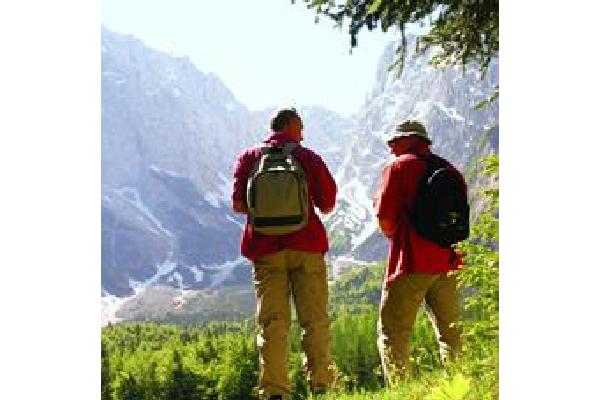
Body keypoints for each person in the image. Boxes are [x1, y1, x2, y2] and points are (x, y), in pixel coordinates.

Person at [231, 107, 337, 400]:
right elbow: (328, 203)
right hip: (307, 247)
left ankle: (275, 392)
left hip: (266, 251)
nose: (303, 134)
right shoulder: (308, 157)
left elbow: (238, 204)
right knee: (314, 320)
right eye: (300, 127)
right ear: (290, 126)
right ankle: (322, 386)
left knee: (272, 324)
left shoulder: (250, 157)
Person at [373, 119, 466, 384]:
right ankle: (460, 384)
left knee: (393, 332)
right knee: (451, 332)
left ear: (408, 140)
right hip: (448, 260)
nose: (391, 148)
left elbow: (385, 218)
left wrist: (399, 237)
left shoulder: (398, 167)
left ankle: (402, 389)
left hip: (412, 261)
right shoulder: (450, 169)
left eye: (394, 142)